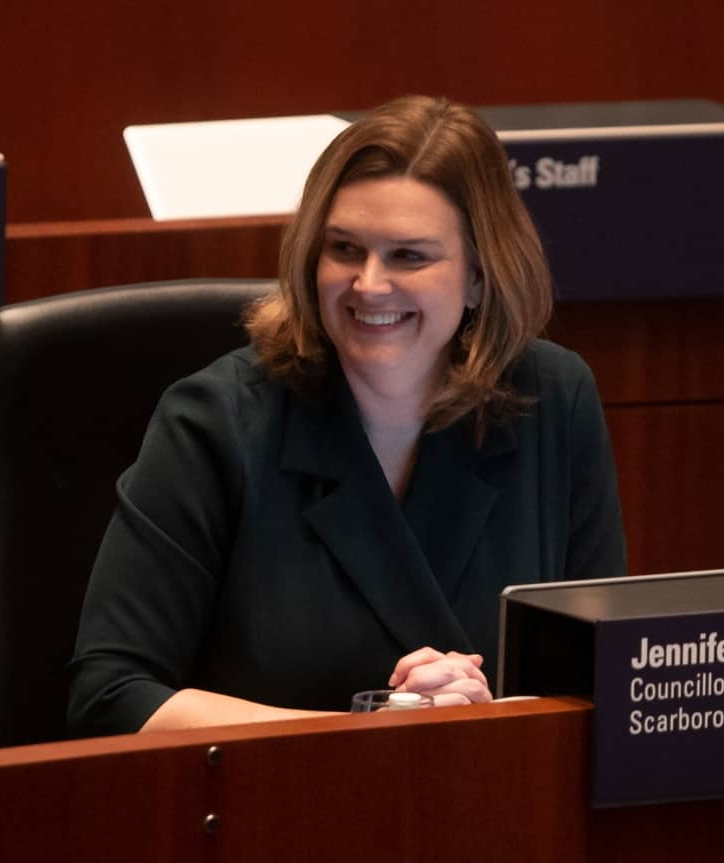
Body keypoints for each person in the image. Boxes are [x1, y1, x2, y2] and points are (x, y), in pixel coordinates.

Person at [68, 95, 626, 735]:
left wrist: (483, 721)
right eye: (344, 249)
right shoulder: (216, 421)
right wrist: (360, 737)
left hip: (490, 814)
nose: (368, 284)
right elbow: (109, 697)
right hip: (264, 813)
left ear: (479, 275)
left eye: (409, 256)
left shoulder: (552, 399)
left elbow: (601, 680)